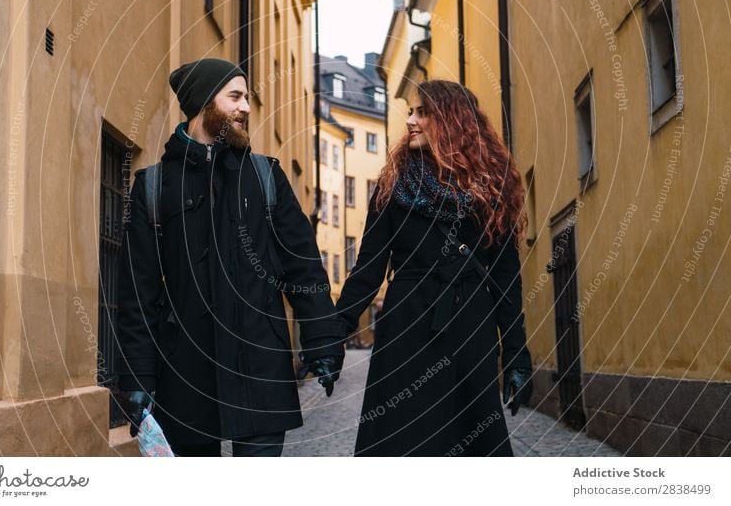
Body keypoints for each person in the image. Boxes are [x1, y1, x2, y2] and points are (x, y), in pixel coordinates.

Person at [116, 58, 346, 457]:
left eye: (247, 98)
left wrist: (323, 341)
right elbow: (138, 292)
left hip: (261, 367)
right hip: (186, 373)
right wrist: (137, 375)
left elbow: (303, 267)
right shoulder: (154, 187)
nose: (245, 107)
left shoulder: (264, 177)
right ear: (205, 102)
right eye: (235, 97)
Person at [336, 80, 533, 456]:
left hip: (470, 324)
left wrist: (516, 355)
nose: (410, 121)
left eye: (422, 113)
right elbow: (368, 269)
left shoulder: (491, 188)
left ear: (451, 120)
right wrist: (332, 338)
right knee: (405, 442)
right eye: (411, 112)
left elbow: (507, 280)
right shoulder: (393, 186)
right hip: (407, 326)